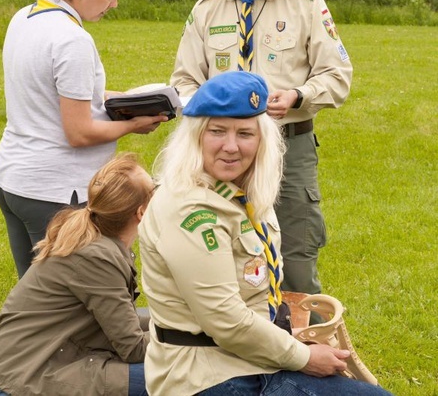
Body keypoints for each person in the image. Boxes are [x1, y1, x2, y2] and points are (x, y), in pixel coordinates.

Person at [138, 72, 391, 395]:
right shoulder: (190, 211)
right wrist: (303, 357)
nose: (231, 147)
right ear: (196, 136)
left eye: (245, 133)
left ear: (262, 141)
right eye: (217, 131)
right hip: (208, 374)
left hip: (255, 357)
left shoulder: (244, 192)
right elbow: (226, 321)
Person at [169, 0, 353, 297]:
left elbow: (337, 76)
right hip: (221, 149)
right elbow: (184, 79)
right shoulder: (207, 8)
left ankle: (308, 350)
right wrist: (209, 109)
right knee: (221, 257)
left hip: (287, 146)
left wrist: (298, 96)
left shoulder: (304, 3)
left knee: (297, 260)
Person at [0, 0, 168, 278]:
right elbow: (79, 132)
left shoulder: (25, 17)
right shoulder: (72, 39)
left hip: (11, 180)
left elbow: (52, 90)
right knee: (72, 303)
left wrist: (123, 100)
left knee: (36, 302)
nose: (113, 5)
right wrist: (134, 125)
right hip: (52, 190)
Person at [0, 154, 153, 396]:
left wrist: (187, 321)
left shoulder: (93, 239)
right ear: (142, 212)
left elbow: (125, 320)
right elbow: (133, 348)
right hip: (25, 383)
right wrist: (199, 336)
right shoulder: (97, 258)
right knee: (184, 371)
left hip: (28, 370)